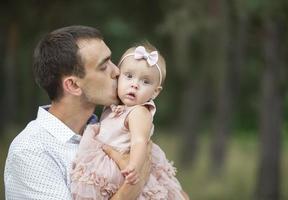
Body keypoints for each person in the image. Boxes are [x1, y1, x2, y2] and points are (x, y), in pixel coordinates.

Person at [4, 25, 151, 200]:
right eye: (104, 66)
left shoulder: (113, 130)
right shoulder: (31, 151)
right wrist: (133, 187)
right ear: (73, 85)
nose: (117, 71)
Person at [70, 43, 189, 199]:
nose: (134, 84)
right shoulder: (112, 107)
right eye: (129, 76)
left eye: (145, 82)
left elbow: (139, 141)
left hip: (125, 167)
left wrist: (134, 166)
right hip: (105, 164)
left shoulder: (139, 112)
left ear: (155, 92)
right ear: (119, 77)